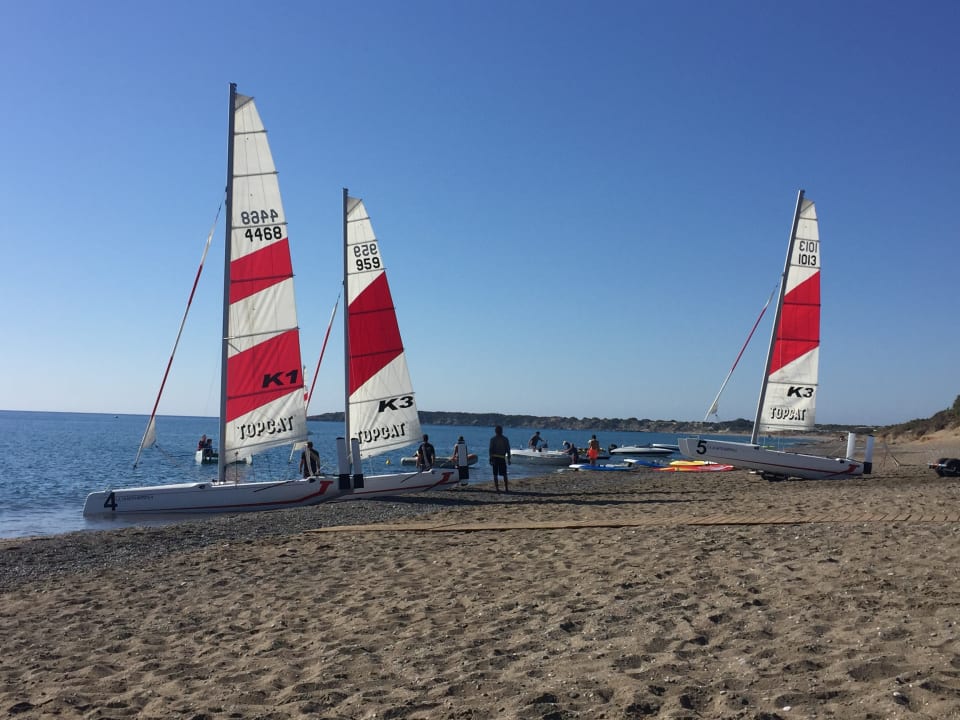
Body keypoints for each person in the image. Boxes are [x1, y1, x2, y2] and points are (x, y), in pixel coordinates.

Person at [489, 425, 511, 493]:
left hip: (495, 458)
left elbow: (490, 449)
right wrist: (509, 459)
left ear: (495, 431)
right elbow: (508, 449)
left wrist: (490, 458)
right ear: (502, 431)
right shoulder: (505, 439)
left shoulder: (493, 439)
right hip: (502, 458)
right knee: (504, 474)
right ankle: (506, 488)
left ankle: (497, 489)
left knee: (495, 474)